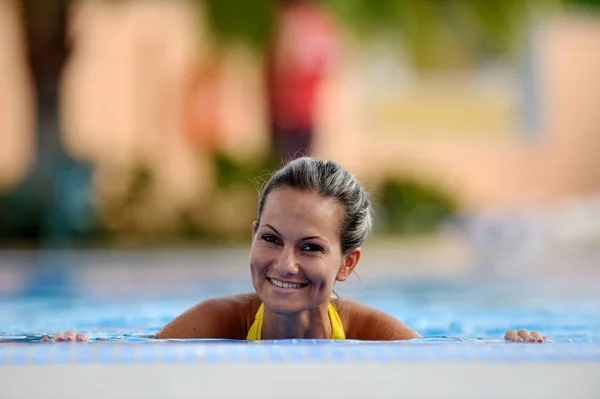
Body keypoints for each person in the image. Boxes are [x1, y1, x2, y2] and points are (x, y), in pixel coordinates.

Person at [43, 157, 549, 343]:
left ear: (347, 264)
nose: (283, 265)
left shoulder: (372, 333)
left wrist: (513, 345)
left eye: (311, 247)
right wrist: (76, 344)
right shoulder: (217, 322)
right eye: (270, 238)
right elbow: (133, 357)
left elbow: (453, 362)